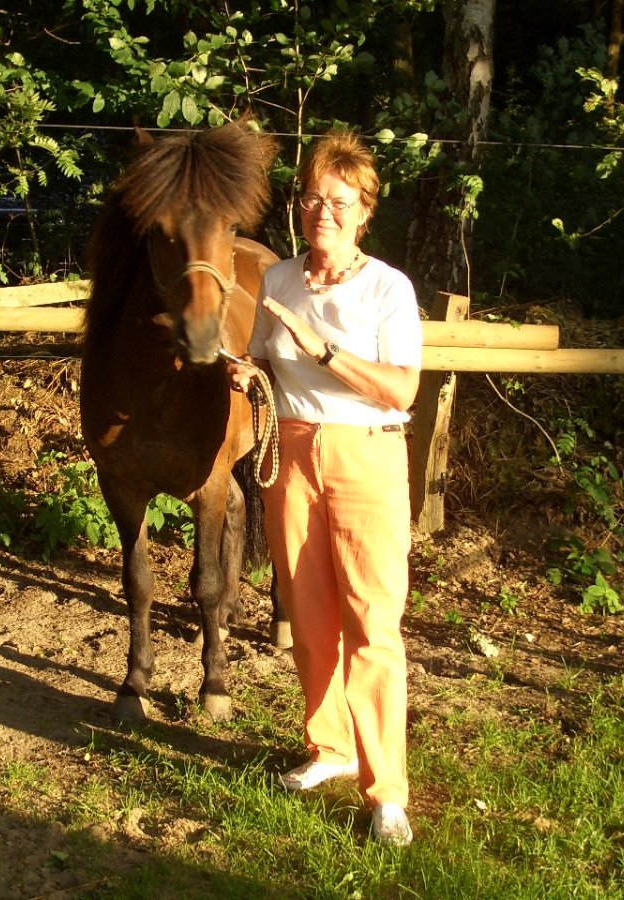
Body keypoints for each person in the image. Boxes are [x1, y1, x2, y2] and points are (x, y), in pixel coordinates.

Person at [228, 129, 422, 847]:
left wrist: (325, 351)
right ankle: (330, 748)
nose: (323, 212)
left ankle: (386, 792)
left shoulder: (387, 288)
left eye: (340, 201)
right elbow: (261, 358)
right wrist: (246, 372)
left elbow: (401, 389)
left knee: (372, 623)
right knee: (308, 617)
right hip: (292, 456)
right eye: (313, 198)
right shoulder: (278, 279)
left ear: (365, 211)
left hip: (367, 457)